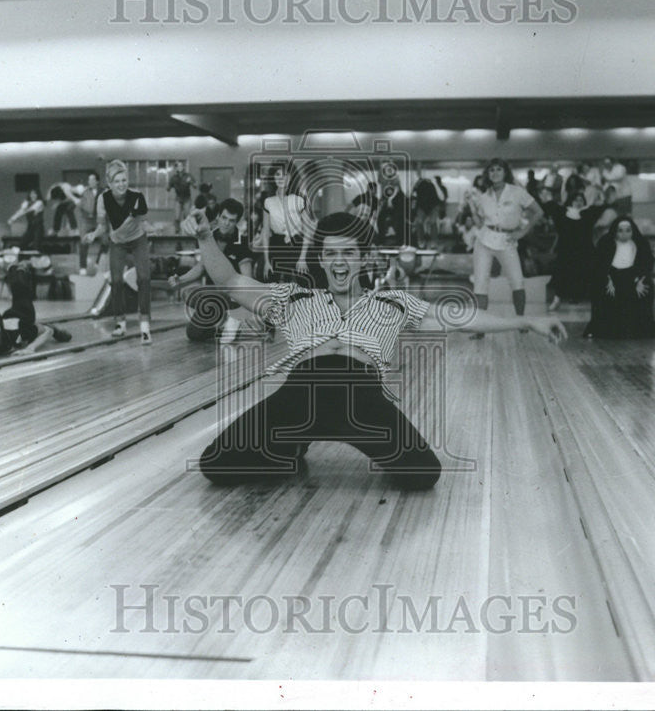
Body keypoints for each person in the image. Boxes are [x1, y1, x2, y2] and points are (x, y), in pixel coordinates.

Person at [185, 209, 566, 490]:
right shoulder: (292, 297)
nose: (339, 261)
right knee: (215, 464)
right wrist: (205, 238)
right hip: (299, 394)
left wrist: (526, 321)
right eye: (331, 254)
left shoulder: (393, 302)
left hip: (361, 398)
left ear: (363, 258)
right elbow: (231, 280)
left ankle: (293, 445)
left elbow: (461, 317)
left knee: (423, 474)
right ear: (320, 259)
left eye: (348, 253)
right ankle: (289, 445)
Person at [82, 159, 153, 343]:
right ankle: (120, 322)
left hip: (138, 240)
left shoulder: (137, 196)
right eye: (117, 181)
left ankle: (145, 324)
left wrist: (151, 228)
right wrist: (93, 235)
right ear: (110, 184)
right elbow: (102, 227)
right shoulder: (103, 199)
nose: (121, 184)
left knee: (144, 278)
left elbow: (144, 222)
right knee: (116, 280)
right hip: (117, 242)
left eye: (124, 180)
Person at [171, 198, 259, 343]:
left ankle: (232, 319)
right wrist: (181, 279)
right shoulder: (210, 237)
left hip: (232, 297)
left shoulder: (241, 243)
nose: (226, 223)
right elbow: (201, 267)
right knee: (193, 333)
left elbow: (247, 281)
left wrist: (240, 311)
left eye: (231, 220)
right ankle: (218, 321)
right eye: (224, 218)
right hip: (213, 295)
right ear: (218, 216)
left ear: (236, 222)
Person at [466, 158, 543, 323]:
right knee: (480, 283)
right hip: (484, 241)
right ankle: (481, 326)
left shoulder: (517, 192)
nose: (495, 173)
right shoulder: (484, 196)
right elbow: (480, 223)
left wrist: (522, 233)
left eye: (498, 169)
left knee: (517, 281)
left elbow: (538, 212)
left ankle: (521, 321)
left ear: (505, 172)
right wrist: (472, 209)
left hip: (507, 240)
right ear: (487, 174)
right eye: (491, 170)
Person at [0, 263, 72, 356]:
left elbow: (48, 331)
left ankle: (20, 270)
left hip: (22, 313)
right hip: (7, 319)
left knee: (21, 292)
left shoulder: (16, 330)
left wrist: (31, 348)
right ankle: (14, 271)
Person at [584, 216, 655, 340]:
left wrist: (639, 281)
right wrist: (607, 280)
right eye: (620, 230)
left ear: (633, 231)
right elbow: (598, 265)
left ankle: (640, 330)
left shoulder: (641, 244)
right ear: (615, 231)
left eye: (628, 230)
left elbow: (646, 264)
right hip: (611, 277)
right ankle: (602, 329)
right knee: (601, 288)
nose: (624, 234)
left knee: (646, 288)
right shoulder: (606, 242)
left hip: (633, 277)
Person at [543, 191, 599, 310]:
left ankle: (580, 297)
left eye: (581, 200)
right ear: (571, 201)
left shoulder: (587, 213)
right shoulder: (564, 212)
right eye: (576, 200)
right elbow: (551, 208)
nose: (578, 203)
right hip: (566, 250)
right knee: (561, 274)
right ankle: (557, 299)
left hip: (584, 251)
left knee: (587, 274)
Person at [261, 166, 312, 283]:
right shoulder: (268, 202)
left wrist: (303, 257)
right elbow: (265, 232)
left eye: (285, 174)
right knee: (276, 283)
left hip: (297, 245)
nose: (281, 178)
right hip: (277, 245)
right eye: (277, 174)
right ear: (272, 178)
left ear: (291, 177)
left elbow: (308, 230)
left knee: (300, 283)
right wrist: (266, 261)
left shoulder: (299, 200)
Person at [77, 172, 106, 274]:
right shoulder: (85, 192)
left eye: (92, 180)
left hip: (99, 220)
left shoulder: (104, 192)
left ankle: (98, 262)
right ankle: (82, 267)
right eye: (89, 180)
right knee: (84, 242)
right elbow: (80, 206)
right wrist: (86, 215)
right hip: (87, 220)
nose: (90, 182)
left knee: (106, 241)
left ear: (97, 181)